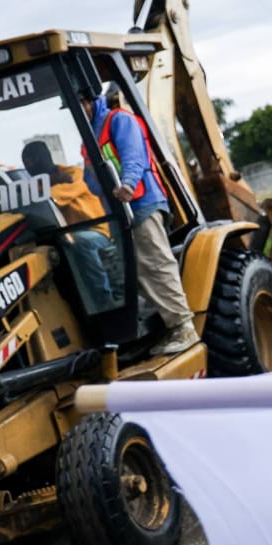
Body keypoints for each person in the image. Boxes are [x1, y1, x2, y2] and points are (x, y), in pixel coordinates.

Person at [85, 91, 199, 355]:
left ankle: (184, 327)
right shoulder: (89, 136)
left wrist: (127, 183)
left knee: (155, 263)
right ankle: (166, 327)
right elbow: (90, 178)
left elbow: (133, 156)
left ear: (91, 99)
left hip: (141, 202)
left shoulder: (118, 121)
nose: (80, 109)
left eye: (81, 103)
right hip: (119, 211)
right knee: (136, 270)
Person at [21, 140, 120, 308]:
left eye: (32, 160)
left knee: (78, 242)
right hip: (65, 235)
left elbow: (51, 198)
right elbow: (27, 202)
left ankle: (105, 304)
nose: (29, 166)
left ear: (45, 157)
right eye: (26, 163)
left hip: (97, 231)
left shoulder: (75, 173)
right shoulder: (35, 186)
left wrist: (50, 184)